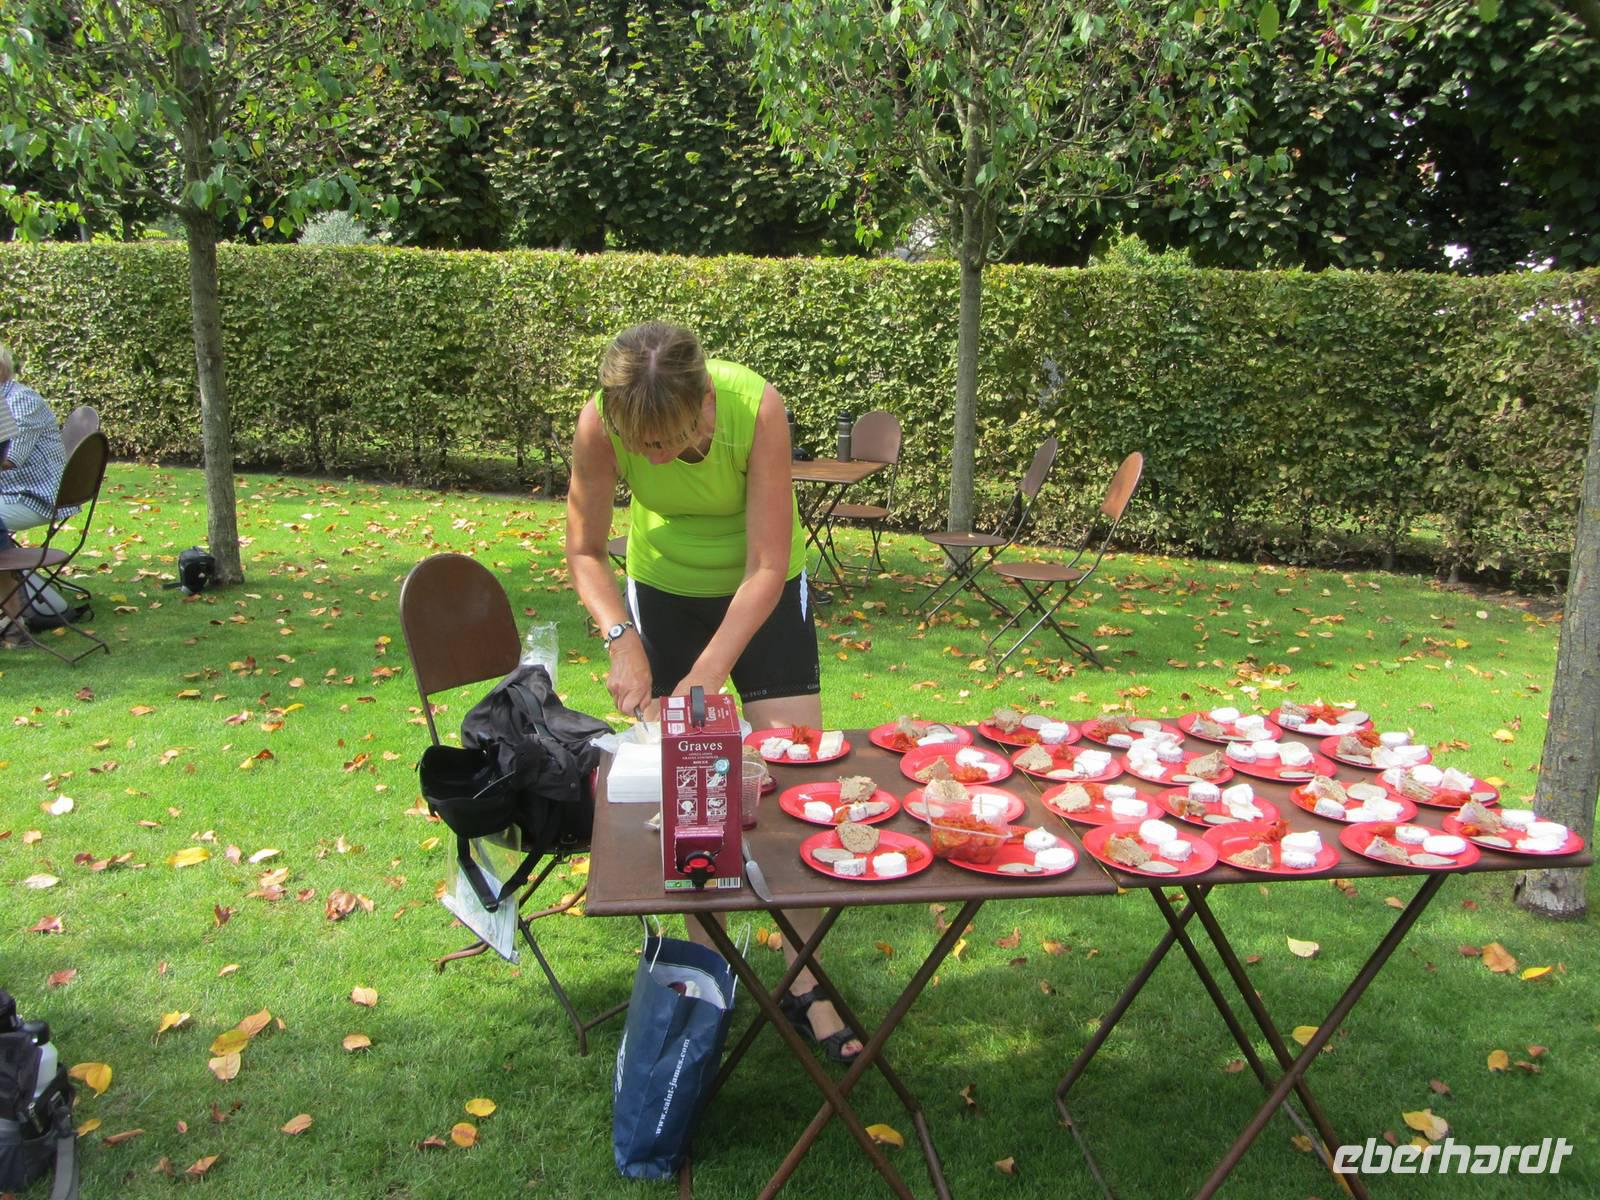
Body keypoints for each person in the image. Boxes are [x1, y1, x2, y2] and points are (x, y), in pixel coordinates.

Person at [565, 322, 862, 1063]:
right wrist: (620, 636)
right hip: (664, 588)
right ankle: (710, 973)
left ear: (703, 404)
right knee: (689, 792)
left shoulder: (755, 408)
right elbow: (585, 549)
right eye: (642, 447)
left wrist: (705, 674)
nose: (654, 459)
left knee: (796, 778)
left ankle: (803, 981)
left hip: (763, 588)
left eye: (668, 441)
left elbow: (766, 565)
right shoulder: (601, 422)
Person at [0, 344, 70, 644]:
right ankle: (13, 622)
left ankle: (14, 622)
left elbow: (9, 459)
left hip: (33, 497)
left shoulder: (20, 402)